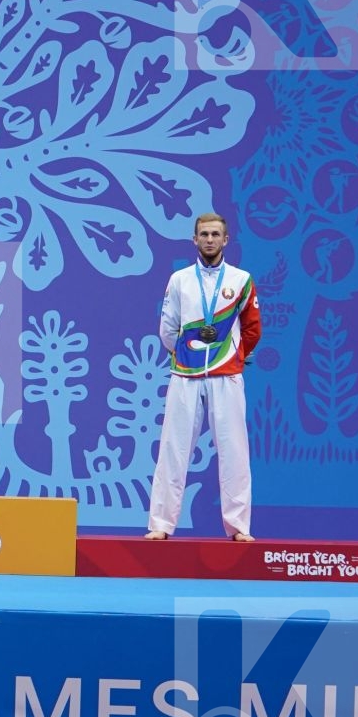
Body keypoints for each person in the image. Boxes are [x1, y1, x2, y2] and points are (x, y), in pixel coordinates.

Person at [145, 213, 262, 541]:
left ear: (226, 240)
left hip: (226, 375)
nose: (210, 240)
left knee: (234, 450)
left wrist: (231, 354)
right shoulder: (180, 280)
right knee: (173, 449)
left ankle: (238, 527)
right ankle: (161, 525)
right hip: (185, 375)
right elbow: (168, 328)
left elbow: (252, 328)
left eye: (215, 234)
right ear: (194, 239)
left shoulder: (241, 279)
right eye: (204, 234)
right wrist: (186, 355)